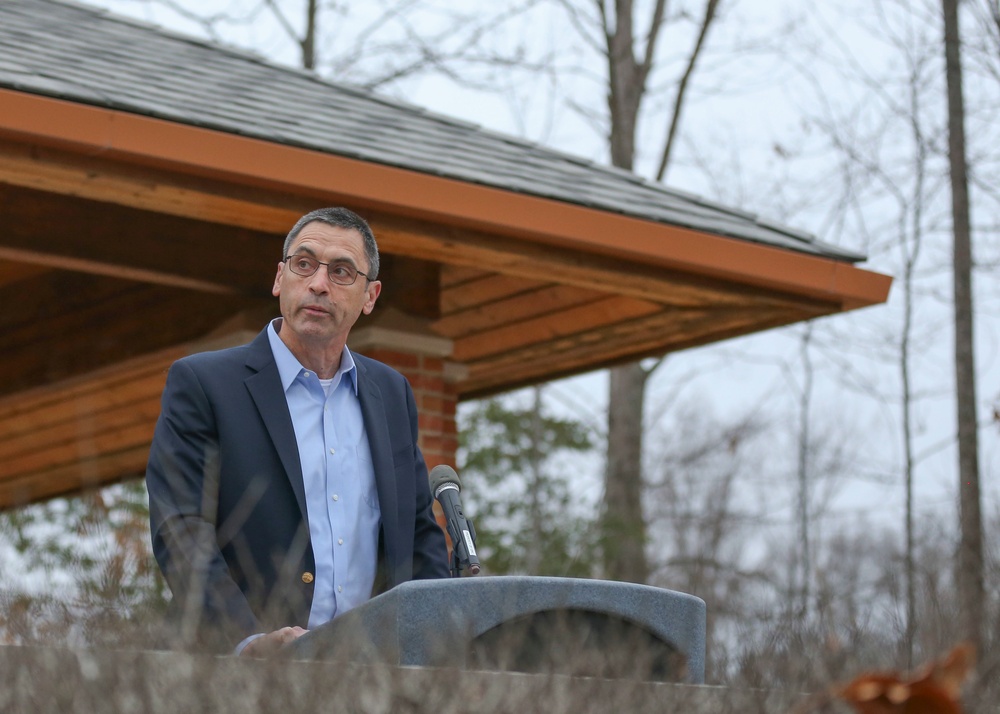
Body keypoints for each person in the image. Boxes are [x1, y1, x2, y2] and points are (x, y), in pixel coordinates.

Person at [146, 207, 450, 655]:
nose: (319, 284)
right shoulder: (205, 385)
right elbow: (181, 529)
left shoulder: (391, 394)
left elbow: (419, 537)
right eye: (304, 264)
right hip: (239, 675)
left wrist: (433, 651)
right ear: (279, 278)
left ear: (370, 296)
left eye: (342, 271)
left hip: (372, 676)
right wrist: (248, 641)